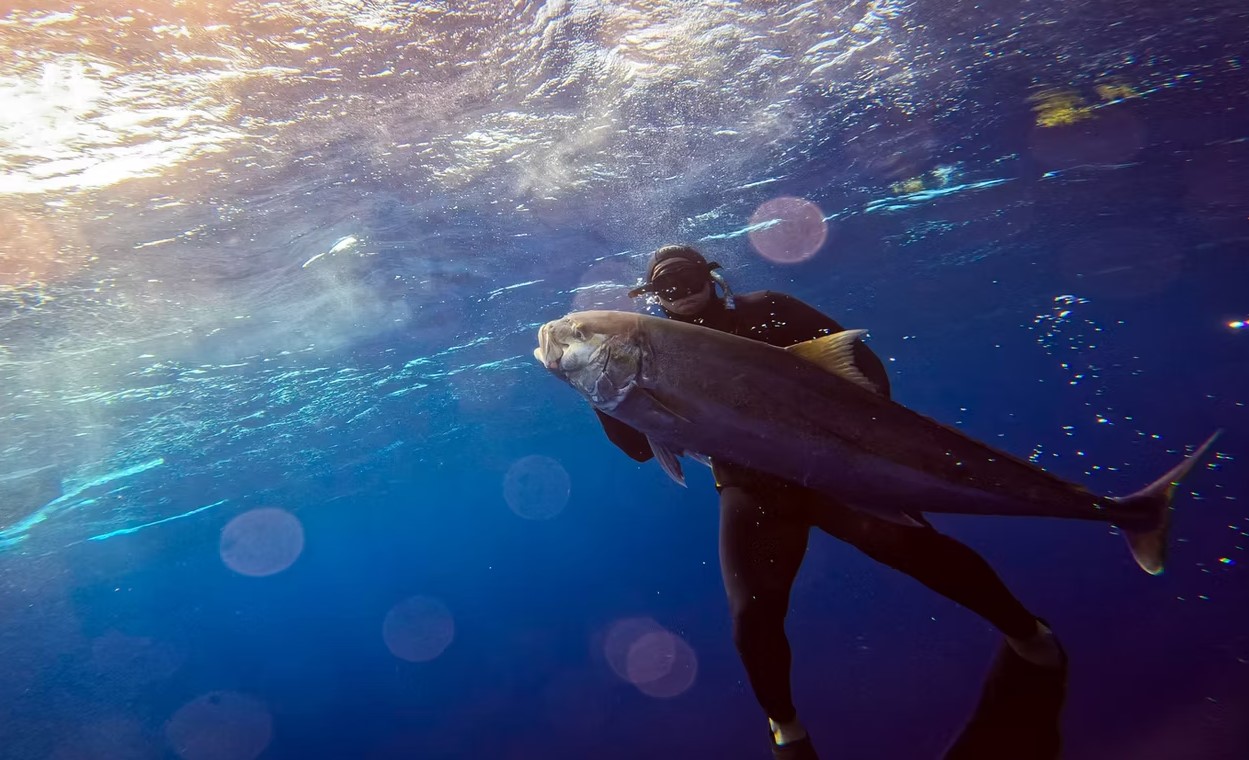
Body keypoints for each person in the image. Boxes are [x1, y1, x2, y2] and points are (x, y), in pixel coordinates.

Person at [598, 244, 1067, 760]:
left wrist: (870, 441)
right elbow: (641, 449)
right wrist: (605, 394)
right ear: (653, 297)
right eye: (667, 287)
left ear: (712, 277)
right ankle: (787, 730)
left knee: (922, 552)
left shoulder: (767, 309)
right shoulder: (643, 353)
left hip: (833, 473)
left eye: (689, 279)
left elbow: (861, 363)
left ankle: (1030, 636)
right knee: (752, 615)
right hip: (752, 487)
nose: (683, 295)